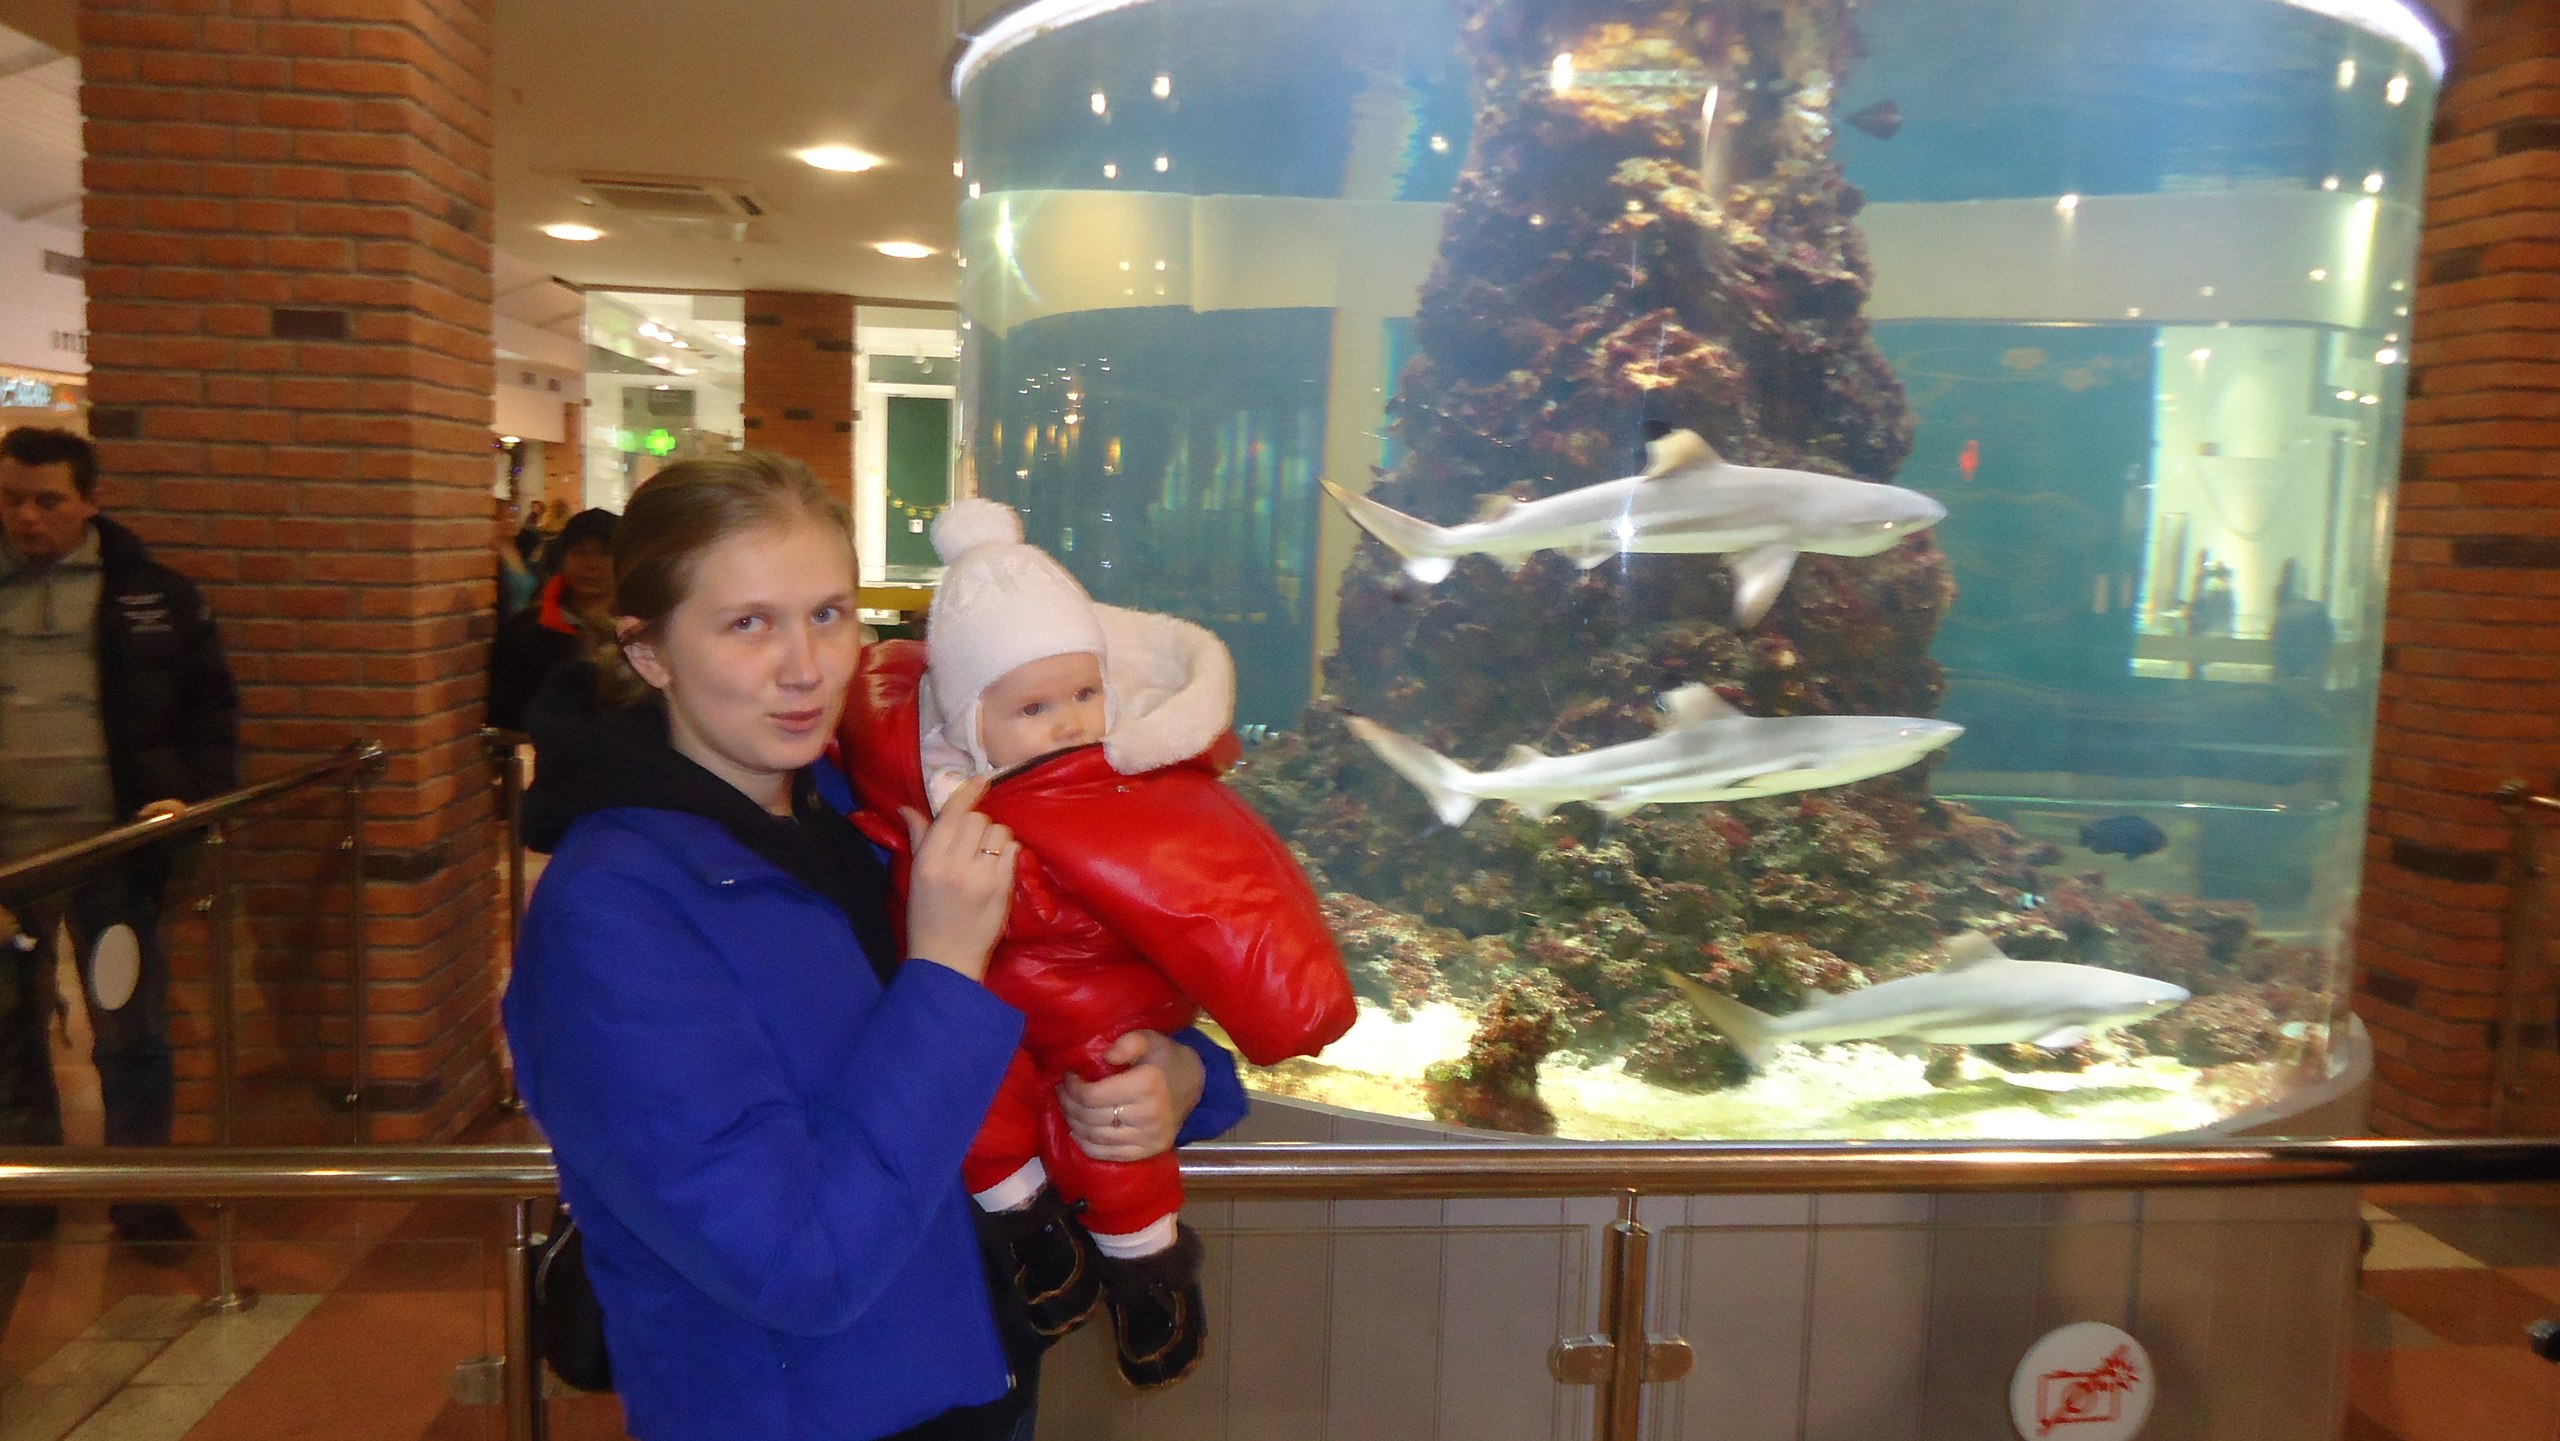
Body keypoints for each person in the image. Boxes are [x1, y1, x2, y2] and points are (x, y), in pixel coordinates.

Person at [502, 453, 1240, 1441]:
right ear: (650, 653)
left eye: (828, 613)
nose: (806, 667)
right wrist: (943, 969)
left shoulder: (863, 808)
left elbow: (1070, 992)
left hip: (980, 1362)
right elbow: (795, 1261)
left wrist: (1183, 1077)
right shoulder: (615, 911)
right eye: (748, 624)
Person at [839, 499, 1354, 1390]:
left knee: (1110, 1119)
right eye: (1036, 706)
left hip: (1092, 1042)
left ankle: (1147, 1267)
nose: (1071, 723)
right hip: (880, 1305)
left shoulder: (1123, 782)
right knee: (983, 1104)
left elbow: (1218, 900)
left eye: (825, 613)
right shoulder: (894, 786)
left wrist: (1192, 1071)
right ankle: (1031, 1223)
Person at [0, 426, 237, 1245]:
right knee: (9, 1026)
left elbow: (211, 707)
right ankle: (26, 1190)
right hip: (7, 865)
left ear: (91, 501)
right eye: (11, 499)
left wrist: (192, 798)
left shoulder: (152, 596)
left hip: (114, 852)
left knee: (130, 1027)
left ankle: (140, 1192)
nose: (27, 517)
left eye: (48, 500)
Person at [486, 506, 617, 730]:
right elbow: (504, 713)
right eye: (579, 552)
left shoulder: (645, 628)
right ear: (563, 558)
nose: (592, 564)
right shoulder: (525, 629)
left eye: (605, 553)